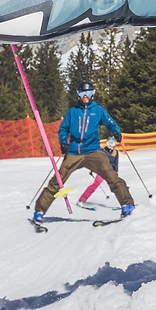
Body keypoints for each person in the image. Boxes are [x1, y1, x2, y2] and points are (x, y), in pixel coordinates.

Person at [33, 82, 134, 221]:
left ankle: (127, 204)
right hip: (74, 152)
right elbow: (63, 128)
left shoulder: (98, 110)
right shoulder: (73, 111)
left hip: (93, 151)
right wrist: (63, 141)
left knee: (111, 175)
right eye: (82, 93)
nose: (85, 96)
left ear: (93, 94)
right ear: (78, 95)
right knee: (57, 181)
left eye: (88, 93)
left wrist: (116, 132)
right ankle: (39, 211)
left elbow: (110, 123)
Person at [78, 136, 119, 206]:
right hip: (102, 171)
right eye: (108, 143)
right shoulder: (103, 151)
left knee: (118, 186)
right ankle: (82, 200)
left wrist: (116, 173)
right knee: (95, 185)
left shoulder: (116, 152)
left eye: (112, 143)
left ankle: (125, 203)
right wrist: (92, 169)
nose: (110, 145)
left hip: (111, 172)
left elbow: (115, 163)